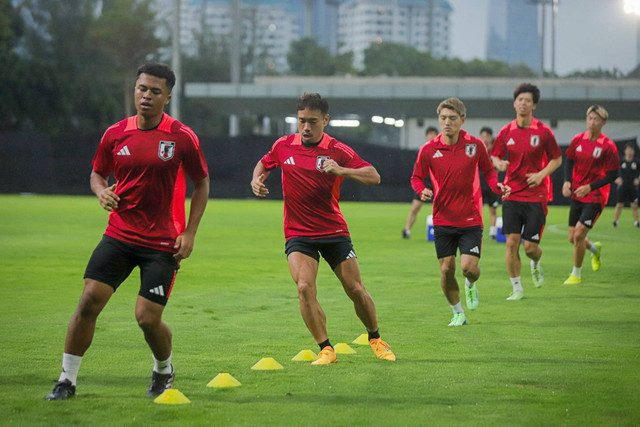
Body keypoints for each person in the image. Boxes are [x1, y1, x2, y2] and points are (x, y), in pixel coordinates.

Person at [46, 63, 210, 400]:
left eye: (154, 91)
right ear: (135, 90)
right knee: (89, 300)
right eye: (142, 89)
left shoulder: (182, 136)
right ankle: (66, 380)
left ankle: (163, 370)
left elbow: (202, 182)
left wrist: (190, 232)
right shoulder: (115, 133)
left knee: (147, 318)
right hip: (120, 235)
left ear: (167, 96)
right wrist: (101, 190)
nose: (146, 96)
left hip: (163, 242)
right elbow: (97, 173)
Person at [250, 92, 395, 364]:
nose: (306, 127)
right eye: (301, 120)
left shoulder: (337, 150)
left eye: (312, 121)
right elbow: (265, 162)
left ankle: (375, 338)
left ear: (325, 120)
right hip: (298, 233)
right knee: (304, 287)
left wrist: (343, 171)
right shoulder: (284, 145)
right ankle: (326, 349)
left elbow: (374, 176)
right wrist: (255, 179)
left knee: (355, 290)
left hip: (334, 232)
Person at [411, 98, 510, 326]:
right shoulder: (428, 149)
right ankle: (457, 312)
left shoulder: (475, 146)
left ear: (462, 120)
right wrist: (421, 190)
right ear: (439, 119)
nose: (447, 123)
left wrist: (496, 187)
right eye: (443, 118)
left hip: (471, 218)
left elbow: (489, 171)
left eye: (452, 118)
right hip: (443, 219)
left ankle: (470, 284)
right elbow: (416, 177)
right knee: (446, 269)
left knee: (469, 268)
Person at [490, 83, 562, 300]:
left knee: (530, 247)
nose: (523, 103)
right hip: (512, 193)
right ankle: (517, 288)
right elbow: (495, 156)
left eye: (527, 100)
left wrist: (541, 175)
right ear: (514, 103)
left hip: (536, 196)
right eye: (520, 99)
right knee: (511, 242)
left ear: (534, 106)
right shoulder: (506, 131)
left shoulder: (543, 131)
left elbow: (557, 158)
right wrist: (498, 164)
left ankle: (536, 261)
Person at [562, 106, 620, 284]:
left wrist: (591, 187)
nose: (592, 122)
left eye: (596, 119)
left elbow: (613, 174)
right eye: (590, 118)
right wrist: (566, 181)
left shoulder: (608, 146)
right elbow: (569, 160)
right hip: (578, 194)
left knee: (579, 235)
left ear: (603, 122)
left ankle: (576, 275)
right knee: (573, 238)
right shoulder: (578, 139)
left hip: (596, 196)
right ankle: (595, 249)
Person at [402, 126, 438, 239]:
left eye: (434, 134)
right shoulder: (421, 151)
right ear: (426, 136)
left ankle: (443, 231)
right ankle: (407, 230)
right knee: (415, 207)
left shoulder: (441, 150)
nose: (432, 136)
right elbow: (416, 171)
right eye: (430, 134)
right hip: (424, 184)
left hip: (438, 184)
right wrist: (419, 186)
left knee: (441, 209)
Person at [479, 126, 500, 239]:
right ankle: (478, 231)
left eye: (486, 136)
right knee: (477, 210)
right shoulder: (478, 150)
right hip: (480, 184)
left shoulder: (495, 152)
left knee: (493, 209)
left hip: (491, 185)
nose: (484, 139)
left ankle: (493, 231)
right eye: (482, 136)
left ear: (491, 137)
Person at [612, 143, 640, 228]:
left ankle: (636, 222)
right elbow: (612, 172)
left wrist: (638, 179)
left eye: (631, 150)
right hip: (622, 186)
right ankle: (615, 222)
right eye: (628, 150)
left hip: (632, 187)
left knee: (634, 205)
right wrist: (616, 179)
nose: (629, 151)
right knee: (619, 204)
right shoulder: (620, 161)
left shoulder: (636, 162)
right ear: (625, 151)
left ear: (634, 152)